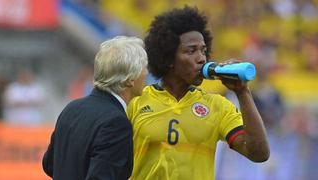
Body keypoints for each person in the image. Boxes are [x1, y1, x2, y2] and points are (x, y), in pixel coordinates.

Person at [127, 6, 270, 180]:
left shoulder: (218, 106)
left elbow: (259, 153)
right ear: (168, 58)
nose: (202, 58)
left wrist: (243, 92)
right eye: (191, 50)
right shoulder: (136, 101)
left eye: (203, 50)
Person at [42, 36, 148, 180]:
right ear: (130, 80)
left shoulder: (72, 109)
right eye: (144, 68)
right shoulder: (116, 123)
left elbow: (49, 164)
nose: (146, 73)